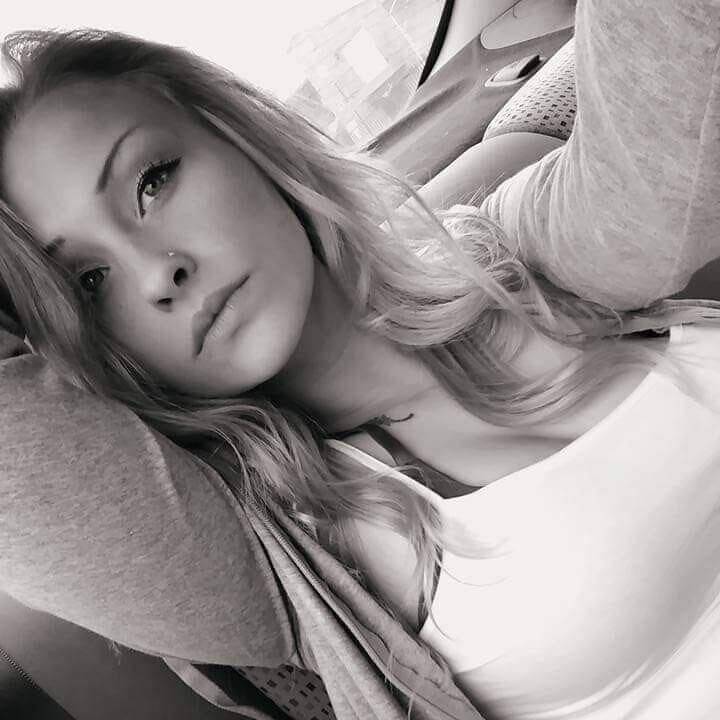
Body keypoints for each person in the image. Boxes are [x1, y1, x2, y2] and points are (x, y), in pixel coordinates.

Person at [2, 1, 720, 718]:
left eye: (152, 181)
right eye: (87, 282)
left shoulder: (518, 252)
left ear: (237, 137)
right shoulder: (274, 548)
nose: (158, 273)